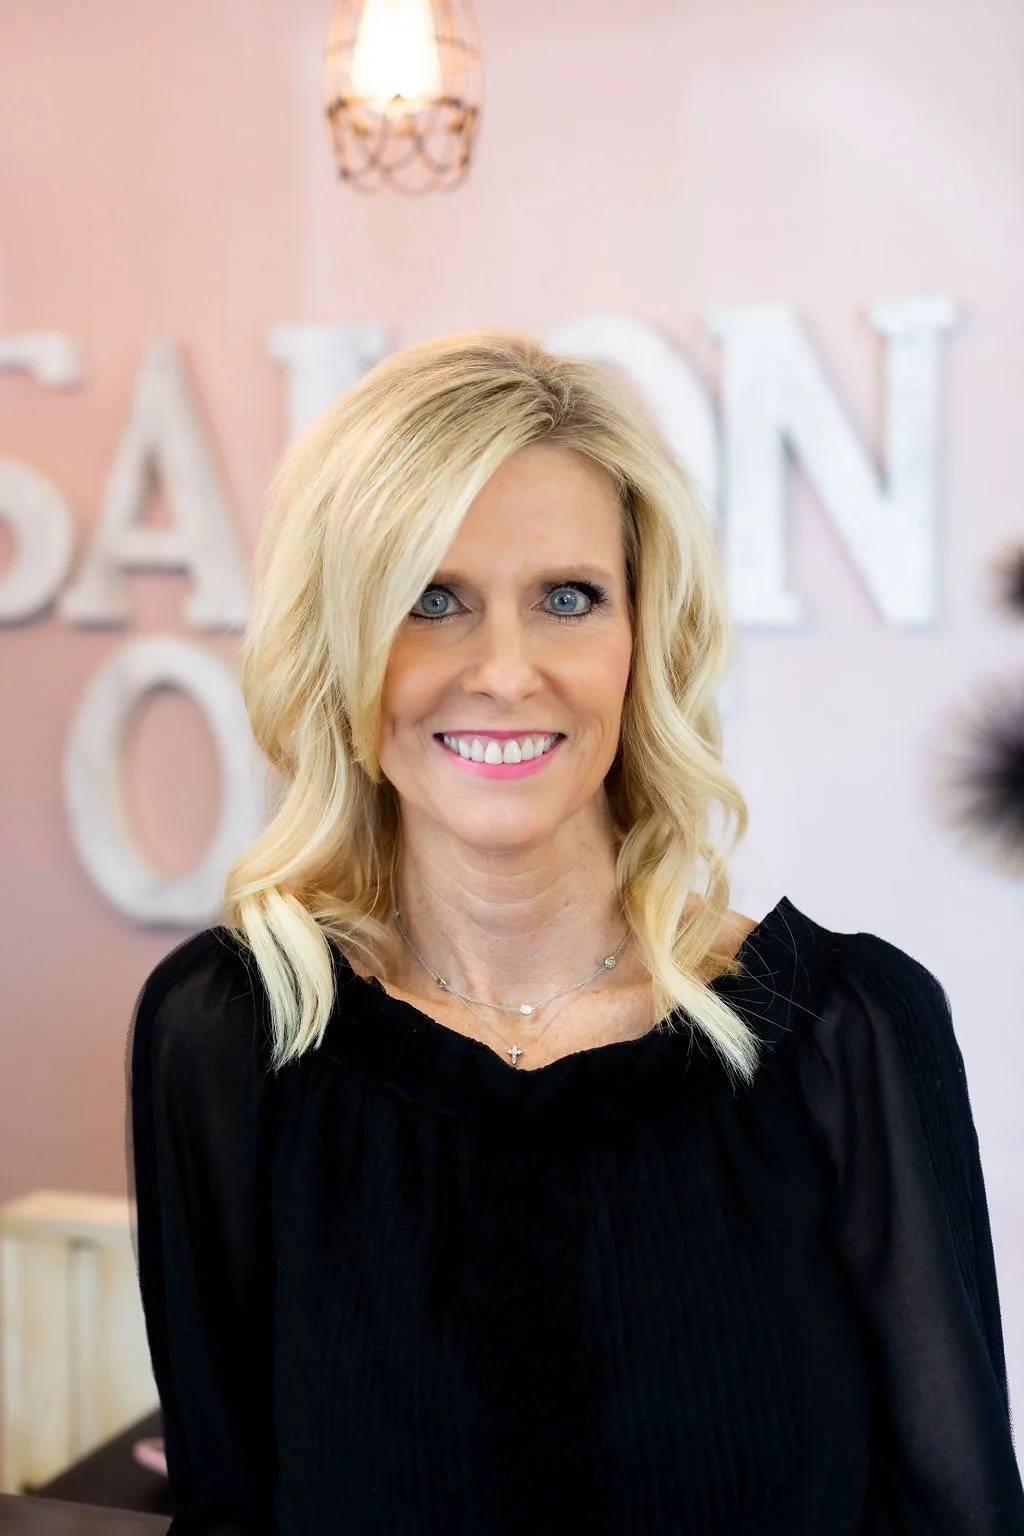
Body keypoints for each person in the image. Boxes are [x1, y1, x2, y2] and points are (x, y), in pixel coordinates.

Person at [127, 331, 1024, 1535]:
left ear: (641, 639)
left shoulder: (848, 1038)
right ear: (339, 644)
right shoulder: (230, 1034)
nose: (504, 672)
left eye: (566, 598)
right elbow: (228, 1510)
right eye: (429, 599)